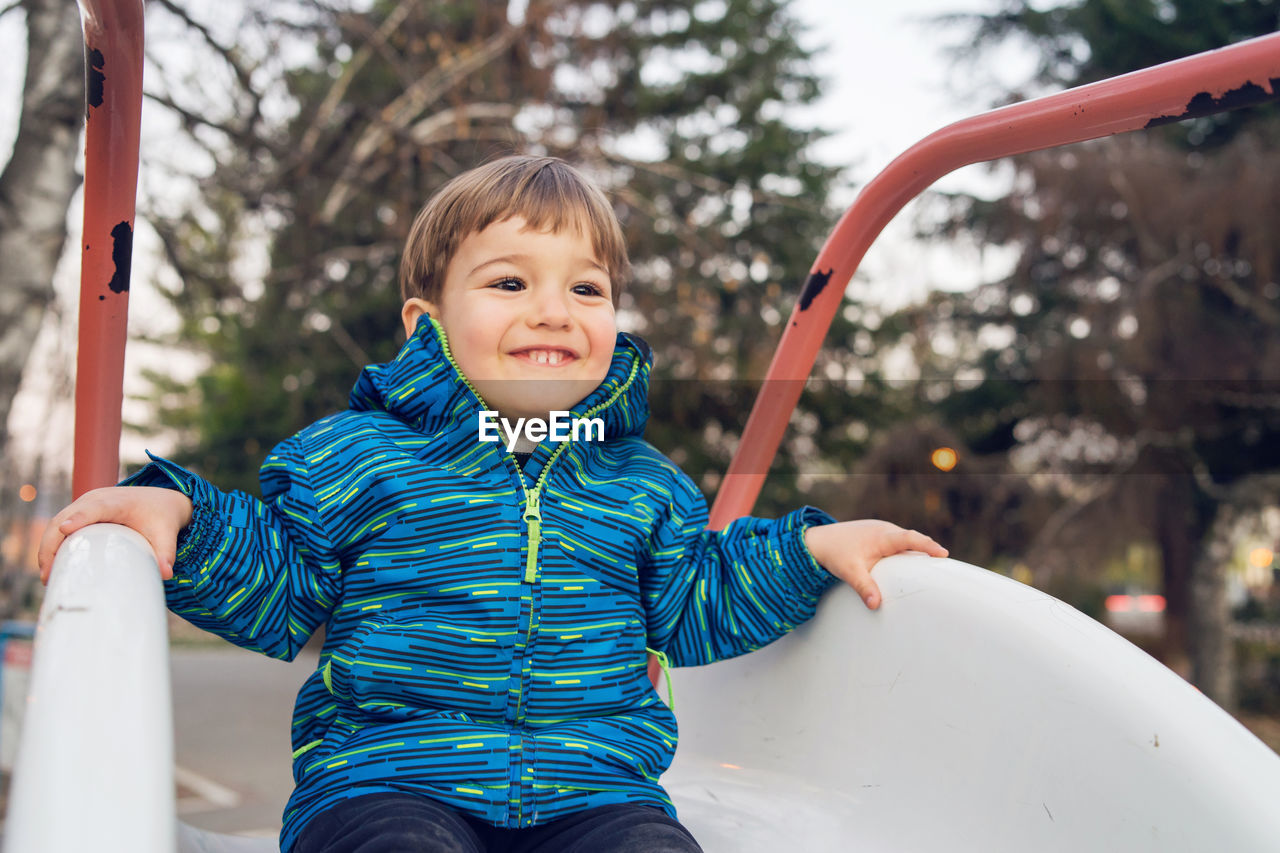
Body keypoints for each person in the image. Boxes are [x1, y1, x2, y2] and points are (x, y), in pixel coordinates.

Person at [38, 155, 948, 853]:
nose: (555, 310)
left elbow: (698, 596)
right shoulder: (356, 458)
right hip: (387, 781)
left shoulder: (640, 482)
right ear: (425, 323)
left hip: (592, 793)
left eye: (585, 288)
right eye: (511, 282)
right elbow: (283, 580)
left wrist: (810, 548)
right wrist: (183, 520)